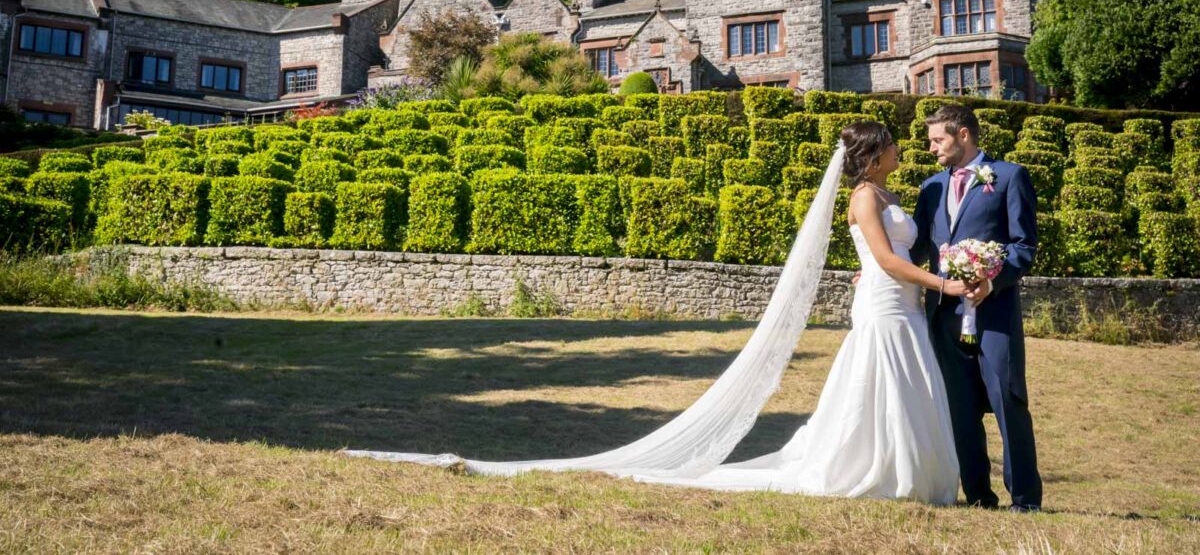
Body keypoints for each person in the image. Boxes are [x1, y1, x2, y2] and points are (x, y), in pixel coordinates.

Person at [344, 121, 973, 506]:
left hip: (903, 308)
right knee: (875, 383)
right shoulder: (865, 196)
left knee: (900, 385)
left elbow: (888, 255)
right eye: (891, 143)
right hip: (892, 303)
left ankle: (905, 470)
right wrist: (945, 284)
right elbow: (888, 262)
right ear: (872, 154)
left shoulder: (888, 191)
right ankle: (868, 468)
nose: (901, 148)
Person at [910, 103, 1042, 512]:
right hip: (944, 316)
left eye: (938, 140)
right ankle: (978, 495)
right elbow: (914, 249)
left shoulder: (1008, 176)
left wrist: (992, 280)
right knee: (959, 406)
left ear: (963, 134)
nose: (932, 148)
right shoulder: (931, 187)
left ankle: (1024, 499)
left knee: (1008, 399)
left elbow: (1024, 245)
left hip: (995, 312)